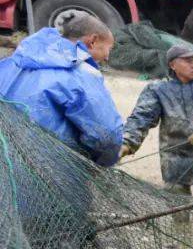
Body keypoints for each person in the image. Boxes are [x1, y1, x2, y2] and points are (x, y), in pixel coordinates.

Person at [121, 46, 193, 221]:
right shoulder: (157, 89)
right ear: (172, 65)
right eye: (188, 61)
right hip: (175, 154)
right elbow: (142, 117)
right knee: (177, 199)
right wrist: (127, 142)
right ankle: (182, 232)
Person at [0, 11, 122, 166]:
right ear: (93, 41)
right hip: (46, 169)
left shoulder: (13, 61)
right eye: (107, 49)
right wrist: (104, 164)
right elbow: (107, 137)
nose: (107, 57)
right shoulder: (82, 74)